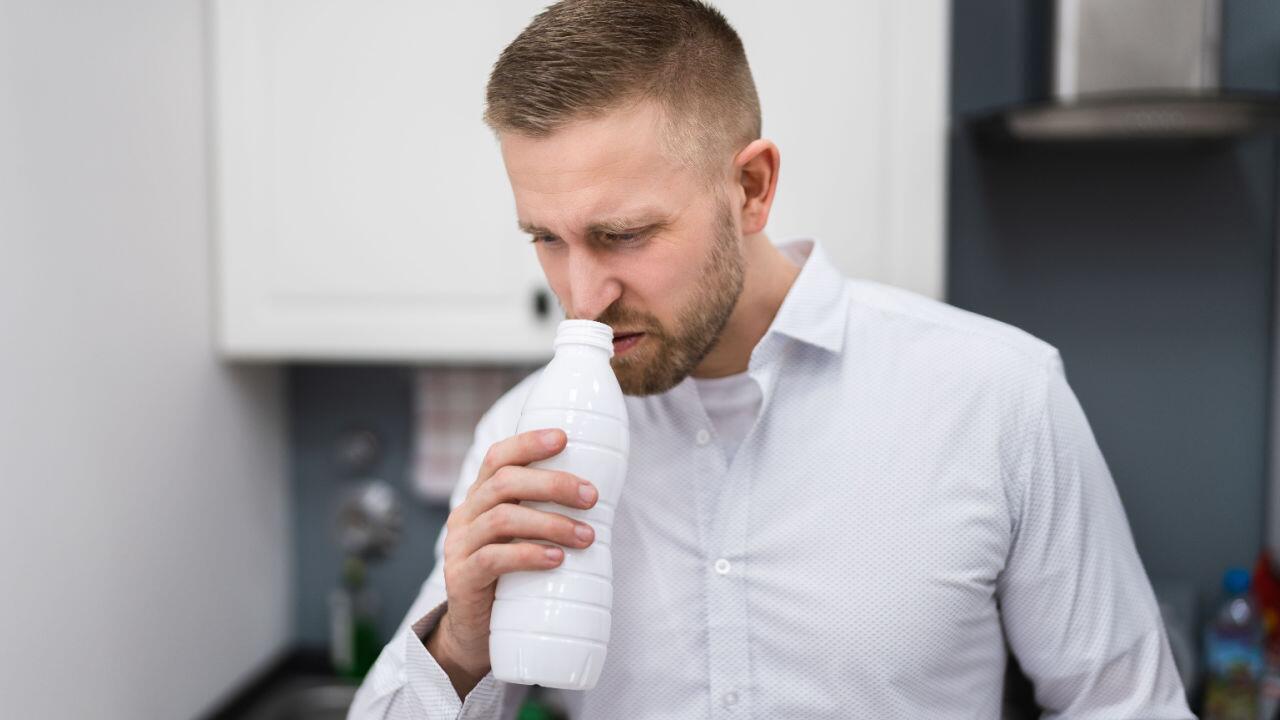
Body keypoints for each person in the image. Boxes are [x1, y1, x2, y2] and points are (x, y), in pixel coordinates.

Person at [348, 1, 1194, 717]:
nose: (583, 294)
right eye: (546, 239)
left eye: (624, 235)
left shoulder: (999, 399)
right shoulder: (522, 436)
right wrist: (460, 641)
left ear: (750, 188)